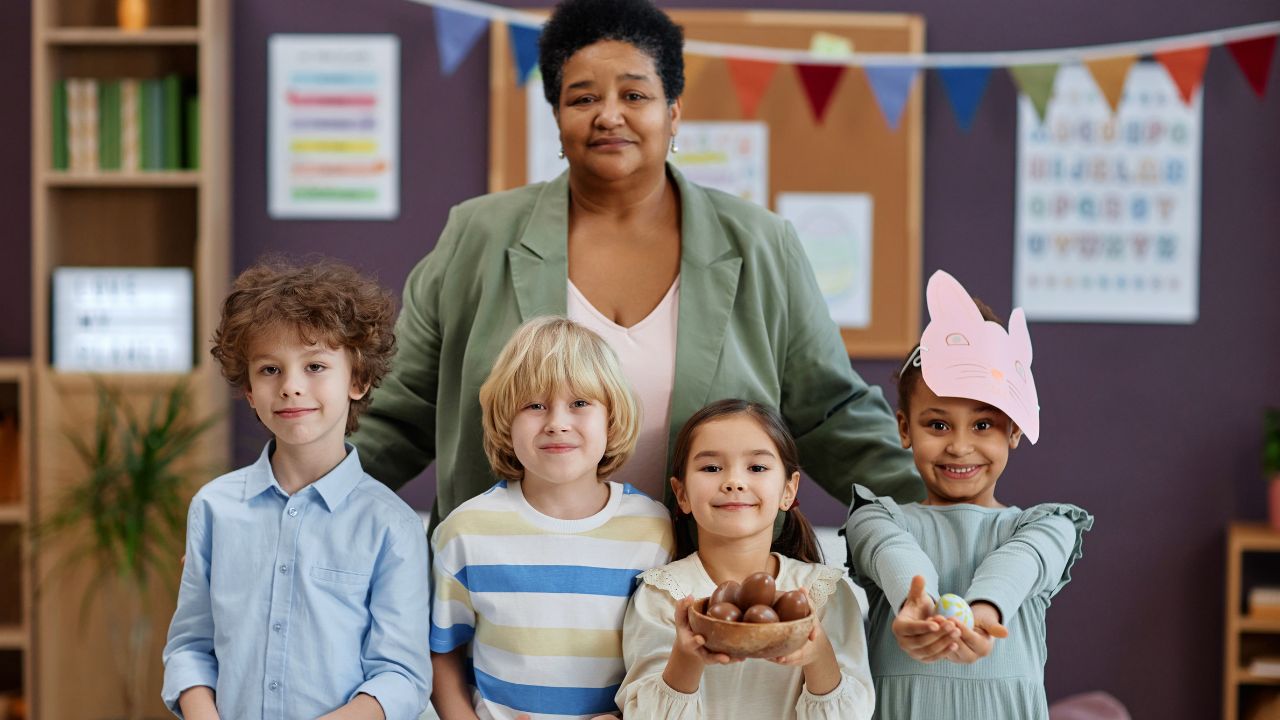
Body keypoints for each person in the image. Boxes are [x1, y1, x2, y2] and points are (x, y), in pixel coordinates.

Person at [349, 0, 920, 522]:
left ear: (674, 114)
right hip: (512, 597)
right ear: (556, 116)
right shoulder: (476, 235)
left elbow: (831, 417)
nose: (609, 116)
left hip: (705, 598)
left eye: (635, 95)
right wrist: (296, 500)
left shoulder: (761, 243)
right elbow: (400, 414)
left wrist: (949, 515)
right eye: (582, 98)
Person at [161, 259, 432, 720]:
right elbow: (189, 646)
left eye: (315, 366)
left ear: (358, 380)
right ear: (248, 388)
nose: (290, 387)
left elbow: (401, 676)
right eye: (269, 369)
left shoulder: (392, 526)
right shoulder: (213, 508)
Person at [845, 270, 1093, 720]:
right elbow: (892, 553)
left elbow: (1020, 562)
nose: (959, 446)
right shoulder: (876, 518)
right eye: (937, 425)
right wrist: (916, 605)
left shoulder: (1047, 526)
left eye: (983, 425)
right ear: (904, 428)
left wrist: (981, 612)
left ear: (1014, 429)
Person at [429, 317, 673, 719]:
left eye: (579, 403)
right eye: (535, 405)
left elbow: (662, 659)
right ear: (506, 422)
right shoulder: (465, 532)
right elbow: (443, 654)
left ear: (611, 417)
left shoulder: (654, 531)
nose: (557, 423)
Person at [616, 399, 874, 719]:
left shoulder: (823, 593)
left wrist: (817, 652)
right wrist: (688, 654)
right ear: (681, 493)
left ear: (788, 490)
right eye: (711, 468)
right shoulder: (664, 594)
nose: (734, 481)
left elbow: (853, 713)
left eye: (757, 468)